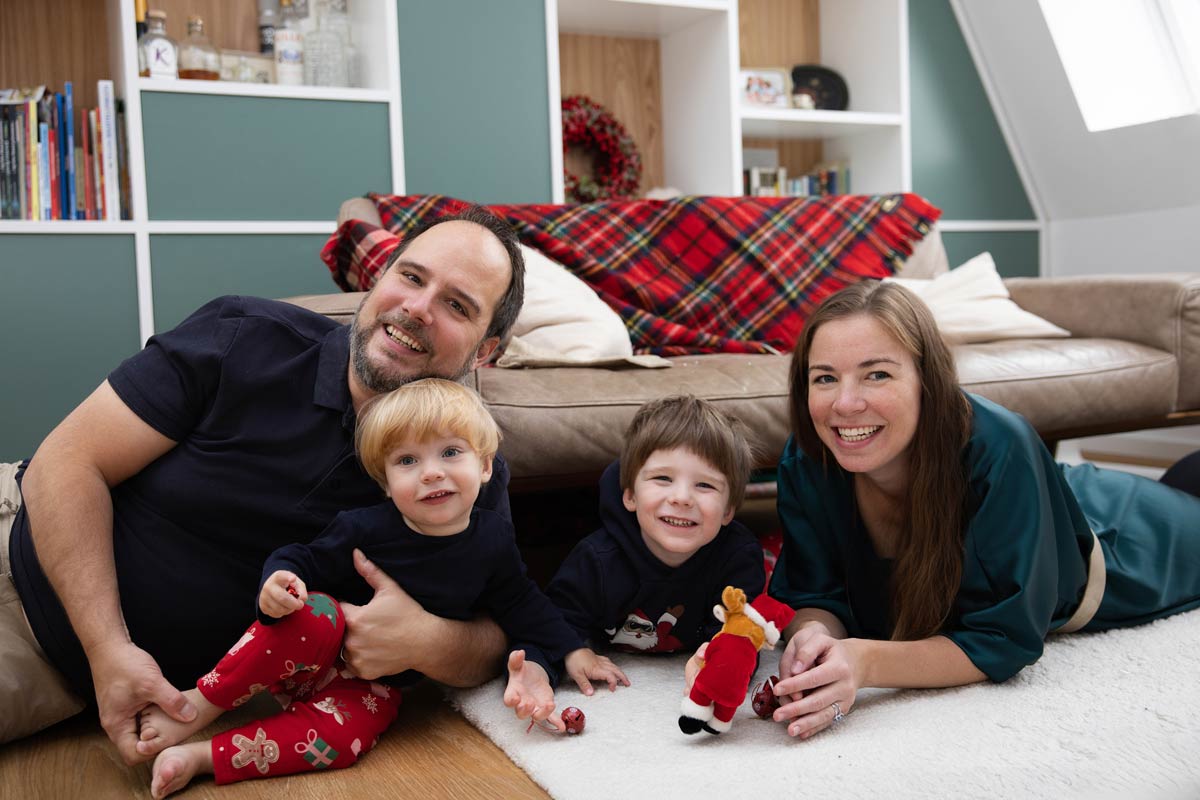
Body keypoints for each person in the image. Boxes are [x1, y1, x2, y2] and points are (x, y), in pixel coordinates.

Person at [1, 205, 526, 757]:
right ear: (380, 278)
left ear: (485, 351)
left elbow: (498, 633)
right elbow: (67, 460)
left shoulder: (467, 474)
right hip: (23, 562)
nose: (417, 307)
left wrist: (428, 640)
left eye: (456, 305)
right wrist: (107, 649)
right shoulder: (242, 337)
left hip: (70, 676)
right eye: (411, 277)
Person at [766, 279, 1200, 740]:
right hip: (1045, 492)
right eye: (825, 378)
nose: (845, 404)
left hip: (1120, 539)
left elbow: (1002, 639)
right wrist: (816, 637)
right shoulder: (809, 456)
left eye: (877, 374)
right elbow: (815, 594)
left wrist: (866, 661)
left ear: (926, 381)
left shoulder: (1002, 445)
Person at [138, 378, 609, 798]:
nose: (431, 472)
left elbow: (520, 599)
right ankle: (199, 704)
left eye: (450, 452)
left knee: (343, 743)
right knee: (315, 613)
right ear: (386, 484)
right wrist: (276, 584)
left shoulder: (493, 538)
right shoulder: (362, 528)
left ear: (485, 466)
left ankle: (205, 758)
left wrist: (571, 651)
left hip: (376, 684)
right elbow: (300, 557)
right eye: (408, 460)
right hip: (313, 651)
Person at [545, 395, 766, 699]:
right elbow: (552, 618)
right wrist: (572, 651)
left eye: (705, 485)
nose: (682, 498)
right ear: (630, 496)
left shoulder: (738, 558)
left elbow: (743, 631)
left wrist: (723, 662)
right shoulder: (597, 559)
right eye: (663, 478)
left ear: (728, 510)